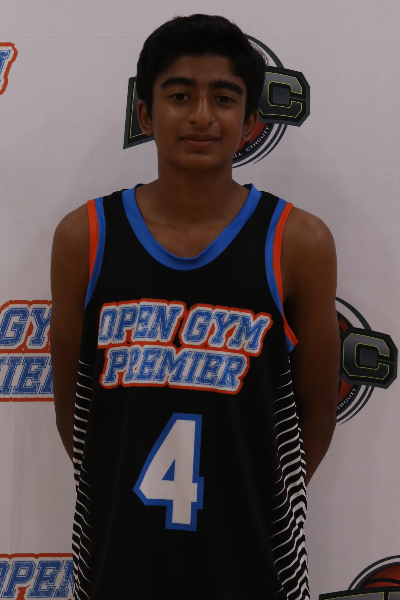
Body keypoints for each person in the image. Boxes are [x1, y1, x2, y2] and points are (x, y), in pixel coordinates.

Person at [50, 14, 339, 600]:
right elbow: (75, 415)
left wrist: (257, 495)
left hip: (256, 560)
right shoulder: (86, 237)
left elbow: (318, 410)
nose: (202, 115)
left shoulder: (298, 242)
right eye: (180, 95)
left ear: (251, 122)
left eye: (224, 98)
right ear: (145, 114)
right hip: (119, 556)